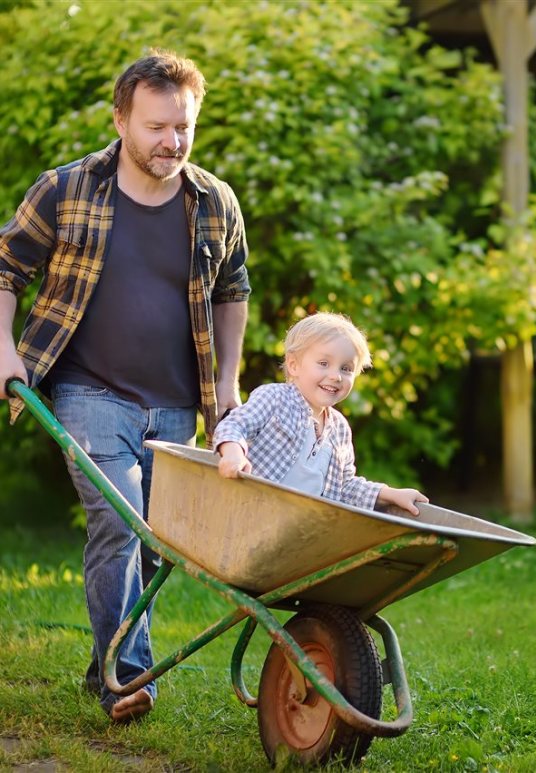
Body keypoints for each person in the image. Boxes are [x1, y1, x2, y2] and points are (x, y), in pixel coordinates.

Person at [0, 50, 250, 723]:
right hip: (88, 392)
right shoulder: (66, 189)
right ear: (121, 119)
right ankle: (130, 678)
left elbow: (233, 290)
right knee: (118, 520)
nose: (171, 141)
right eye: (156, 126)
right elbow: (5, 268)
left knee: (146, 542)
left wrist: (226, 384)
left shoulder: (214, 202)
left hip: (177, 403)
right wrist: (4, 350)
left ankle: (105, 662)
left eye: (184, 128)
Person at [214, 312, 427, 516]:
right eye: (324, 364)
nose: (336, 376)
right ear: (294, 365)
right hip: (250, 512)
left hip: (298, 531)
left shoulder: (340, 429)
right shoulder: (274, 398)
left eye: (346, 368)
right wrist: (233, 453)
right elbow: (234, 425)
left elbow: (346, 488)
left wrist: (391, 494)